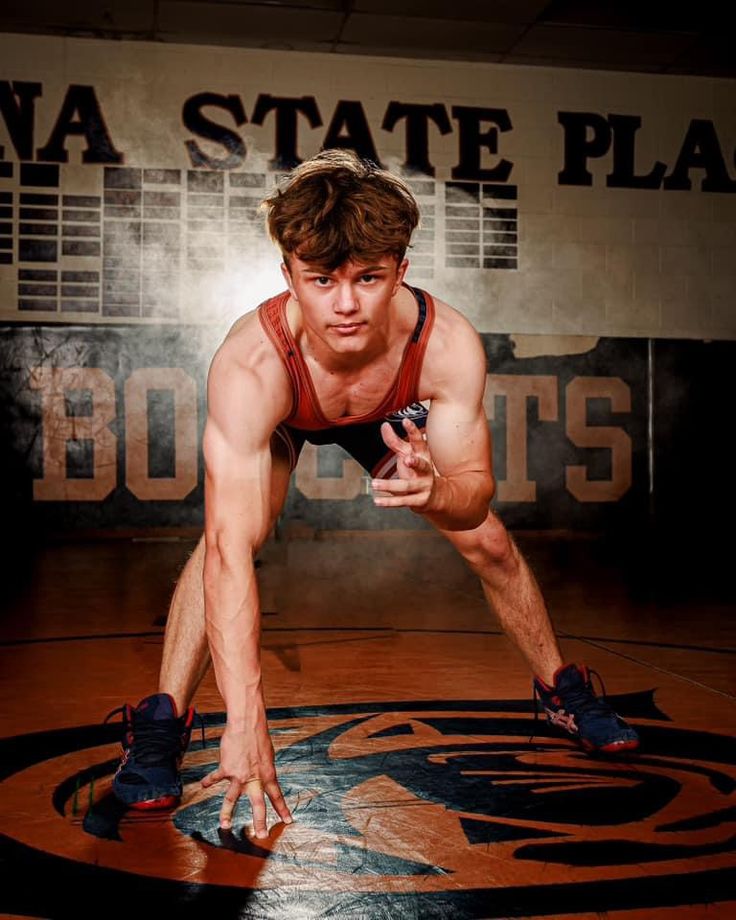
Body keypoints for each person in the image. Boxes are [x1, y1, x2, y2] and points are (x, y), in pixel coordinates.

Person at [108, 150, 638, 835]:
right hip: (293, 410)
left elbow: (473, 496)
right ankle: (163, 723)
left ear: (401, 271)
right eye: (321, 280)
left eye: (368, 278)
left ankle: (561, 689)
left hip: (389, 424)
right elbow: (228, 553)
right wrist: (245, 719)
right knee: (229, 537)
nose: (347, 303)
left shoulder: (444, 345)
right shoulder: (252, 362)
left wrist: (434, 488)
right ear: (289, 276)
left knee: (489, 541)